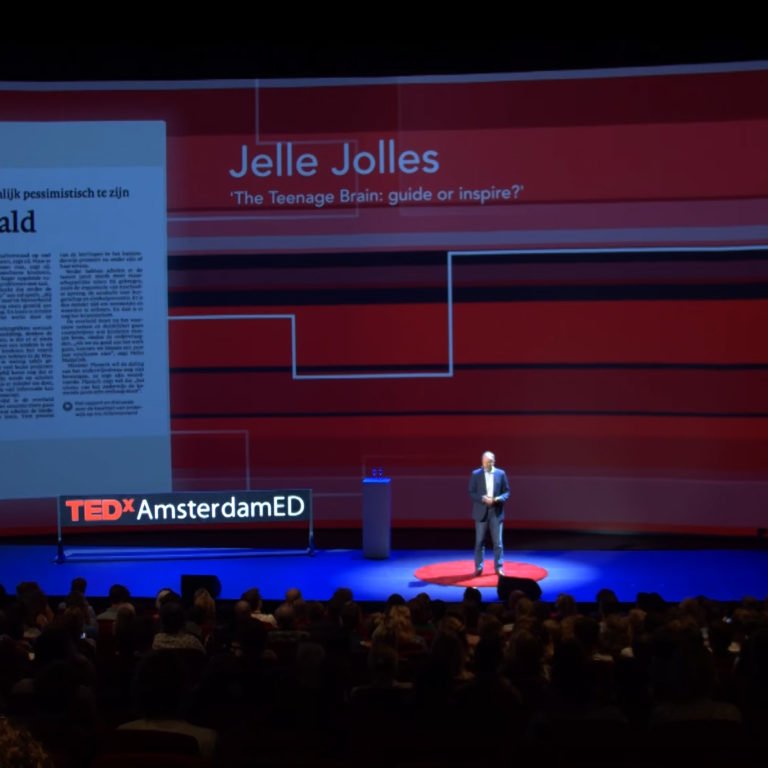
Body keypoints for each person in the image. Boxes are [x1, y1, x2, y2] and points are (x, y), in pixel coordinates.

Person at [468, 451, 510, 577]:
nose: (486, 464)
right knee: (479, 542)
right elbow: (471, 492)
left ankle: (499, 567)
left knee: (498, 543)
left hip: (496, 512)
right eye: (484, 462)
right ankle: (478, 568)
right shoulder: (476, 474)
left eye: (489, 462)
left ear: (493, 462)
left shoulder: (501, 474)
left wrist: (496, 499)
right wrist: (482, 498)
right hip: (481, 512)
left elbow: (507, 492)